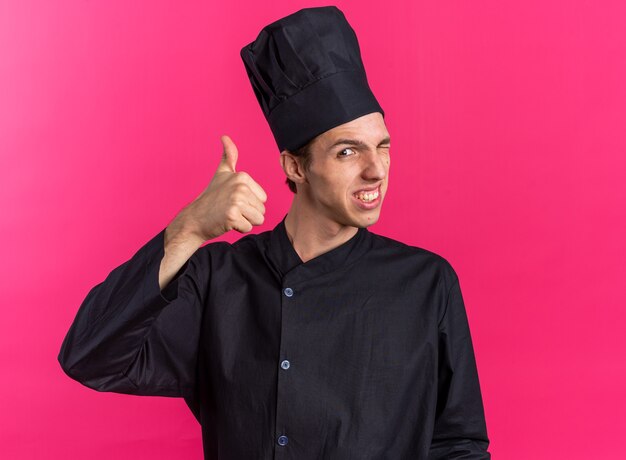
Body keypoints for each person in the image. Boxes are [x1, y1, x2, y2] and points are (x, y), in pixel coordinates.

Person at [59, 6, 491, 459]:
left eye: (383, 147)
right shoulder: (217, 280)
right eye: (348, 152)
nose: (376, 170)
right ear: (295, 166)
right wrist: (187, 229)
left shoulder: (425, 283)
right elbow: (89, 357)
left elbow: (458, 444)